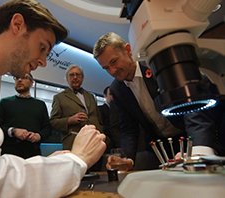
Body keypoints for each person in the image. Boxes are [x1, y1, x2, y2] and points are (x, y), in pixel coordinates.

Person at [0, 1, 106, 197]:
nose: (42, 62)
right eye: (42, 47)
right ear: (17, 24)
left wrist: (54, 164)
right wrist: (77, 160)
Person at [93, 32, 225, 170]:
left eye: (114, 62)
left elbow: (191, 109)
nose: (112, 71)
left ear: (127, 50)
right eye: (106, 68)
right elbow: (129, 130)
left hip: (190, 135)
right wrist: (127, 159)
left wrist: (199, 149)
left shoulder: (158, 67)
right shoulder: (117, 89)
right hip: (162, 146)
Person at [0, 73, 51, 158]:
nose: (19, 80)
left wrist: (38, 136)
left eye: (24, 78)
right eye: (17, 78)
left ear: (32, 83)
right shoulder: (4, 103)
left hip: (33, 155)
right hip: (9, 155)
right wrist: (13, 131)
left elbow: (47, 128)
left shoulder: (40, 105)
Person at [50, 64, 103, 150]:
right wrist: (70, 120)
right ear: (67, 79)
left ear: (82, 78)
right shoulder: (59, 97)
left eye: (78, 75)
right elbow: (53, 122)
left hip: (94, 141)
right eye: (71, 75)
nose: (75, 77)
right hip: (73, 143)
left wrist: (101, 133)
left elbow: (98, 119)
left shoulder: (91, 96)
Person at [98, 86, 121, 151]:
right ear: (105, 96)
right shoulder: (99, 110)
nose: (113, 96)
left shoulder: (120, 111)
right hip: (107, 144)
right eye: (111, 94)